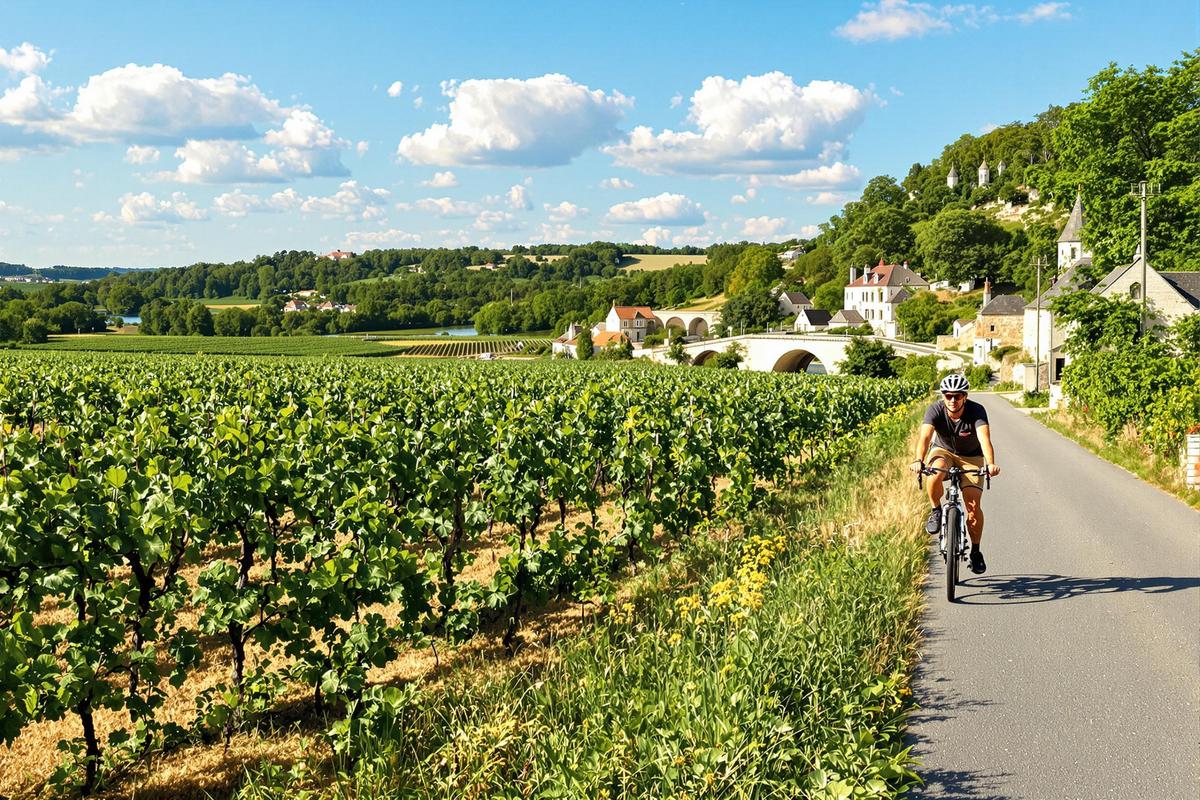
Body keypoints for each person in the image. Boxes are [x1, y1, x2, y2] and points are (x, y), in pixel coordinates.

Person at [909, 373, 1000, 574]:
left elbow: (985, 439)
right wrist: (918, 460)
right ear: (943, 396)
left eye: (957, 396)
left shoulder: (976, 411)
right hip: (943, 451)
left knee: (973, 506)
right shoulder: (935, 409)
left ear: (964, 397)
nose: (952, 400)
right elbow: (925, 437)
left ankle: (975, 552)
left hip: (972, 456)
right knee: (934, 472)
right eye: (948, 395)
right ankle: (935, 510)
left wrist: (991, 464)